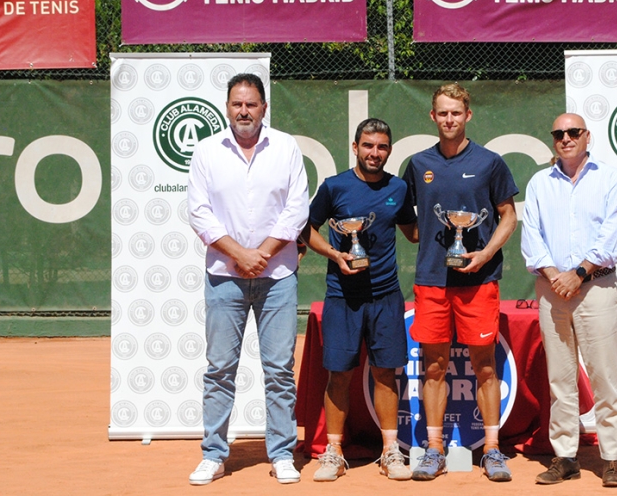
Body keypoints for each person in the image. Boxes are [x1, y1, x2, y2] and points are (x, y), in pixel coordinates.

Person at [187, 73, 309, 486]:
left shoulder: (287, 147)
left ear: (264, 107)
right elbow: (198, 212)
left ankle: (281, 452)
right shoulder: (206, 151)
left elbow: (296, 209)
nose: (244, 111)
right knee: (220, 368)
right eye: (237, 104)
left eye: (251, 104)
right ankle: (214, 454)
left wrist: (264, 255)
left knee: (278, 369)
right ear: (227, 107)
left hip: (278, 276)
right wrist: (240, 254)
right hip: (224, 275)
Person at [401, 84, 519, 482]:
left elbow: (508, 216)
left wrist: (484, 254)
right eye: (442, 113)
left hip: (479, 281)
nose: (449, 119)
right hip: (432, 280)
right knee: (433, 366)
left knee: (484, 367)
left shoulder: (490, 162)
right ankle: (434, 450)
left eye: (456, 113)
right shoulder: (418, 163)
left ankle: (491, 450)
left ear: (468, 116)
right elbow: (407, 219)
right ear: (432, 117)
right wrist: (428, 237)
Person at [303, 118, 418, 482]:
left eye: (382, 146)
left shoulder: (398, 188)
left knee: (386, 373)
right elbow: (306, 229)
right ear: (355, 147)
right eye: (368, 145)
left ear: (389, 150)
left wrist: (447, 220)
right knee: (339, 374)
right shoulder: (334, 187)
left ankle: (390, 452)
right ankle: (334, 453)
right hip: (342, 297)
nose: (375, 152)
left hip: (386, 296)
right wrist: (335, 256)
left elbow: (412, 233)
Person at [520, 113, 617, 488]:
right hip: (553, 291)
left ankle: (612, 458)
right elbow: (531, 237)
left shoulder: (610, 179)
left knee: (604, 379)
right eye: (559, 134)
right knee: (560, 380)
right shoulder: (539, 183)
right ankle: (565, 457)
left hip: (596, 288)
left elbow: (612, 235)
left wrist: (578, 274)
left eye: (573, 132)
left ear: (587, 137)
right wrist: (555, 277)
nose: (565, 138)